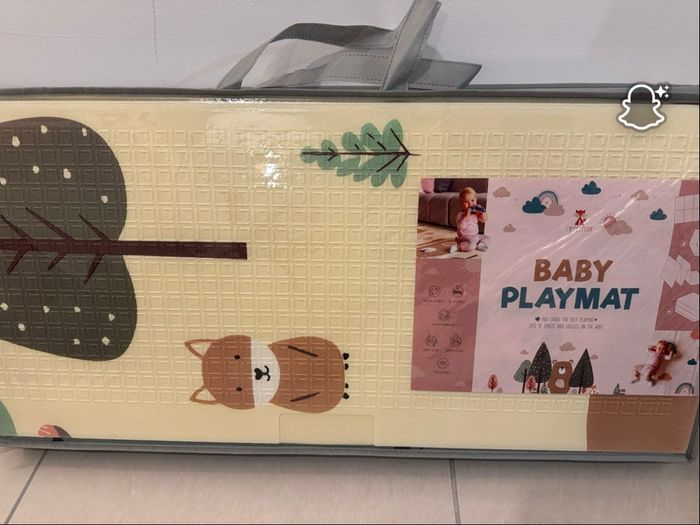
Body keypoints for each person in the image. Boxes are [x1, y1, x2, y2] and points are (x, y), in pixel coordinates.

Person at [449, 187, 489, 253]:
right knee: (471, 246)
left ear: (476, 200)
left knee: (487, 237)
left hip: (475, 236)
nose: (470, 203)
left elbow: (484, 220)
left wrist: (482, 212)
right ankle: (457, 246)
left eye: (472, 200)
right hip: (464, 238)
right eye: (466, 202)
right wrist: (466, 216)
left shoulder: (476, 214)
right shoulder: (460, 215)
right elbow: (460, 227)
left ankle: (480, 245)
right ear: (461, 204)